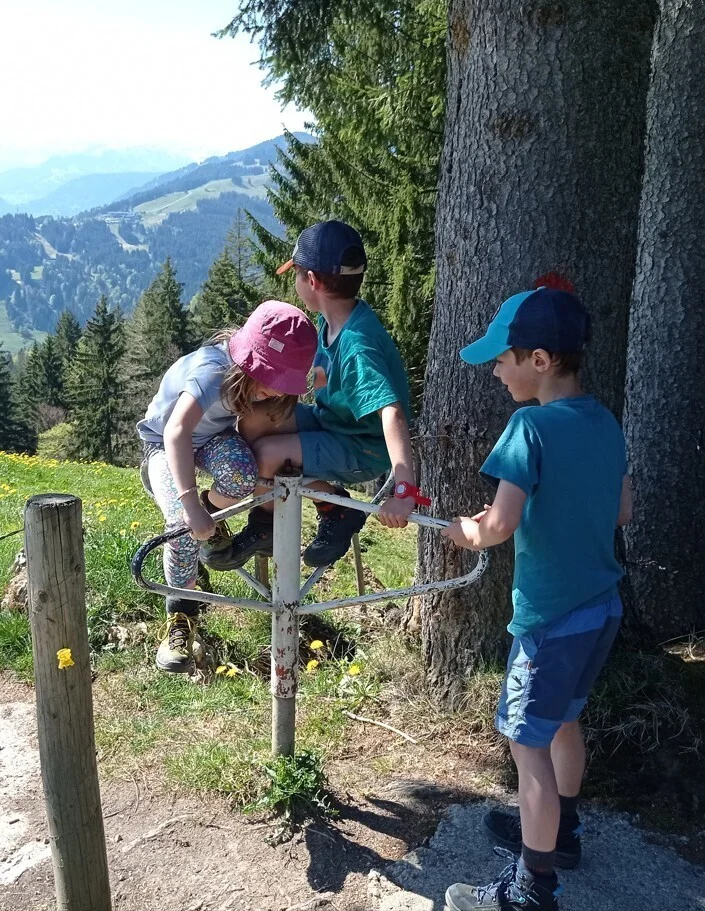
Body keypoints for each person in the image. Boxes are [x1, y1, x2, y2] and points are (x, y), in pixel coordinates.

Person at [440, 286, 632, 911]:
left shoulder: (530, 426)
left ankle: (531, 887)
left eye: (504, 358)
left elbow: (497, 527)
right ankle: (560, 835)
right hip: (601, 608)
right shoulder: (604, 421)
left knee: (528, 749)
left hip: (549, 620)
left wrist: (465, 533)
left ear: (541, 360)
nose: (495, 369)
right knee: (562, 722)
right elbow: (622, 511)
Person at [203, 220, 425, 572]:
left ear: (313, 282)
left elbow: (392, 412)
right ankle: (324, 505)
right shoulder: (332, 319)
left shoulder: (357, 346)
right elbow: (323, 382)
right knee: (255, 414)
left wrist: (404, 490)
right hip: (331, 423)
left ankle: (276, 524)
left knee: (266, 455)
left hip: (363, 448)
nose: (294, 282)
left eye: (297, 274)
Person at [137, 300, 318, 673]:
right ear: (250, 363)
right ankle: (180, 615)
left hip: (212, 439)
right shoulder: (211, 371)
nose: (277, 393)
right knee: (182, 528)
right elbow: (176, 432)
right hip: (165, 444)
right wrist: (189, 505)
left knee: (241, 475)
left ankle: (210, 514)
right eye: (273, 382)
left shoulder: (254, 385)